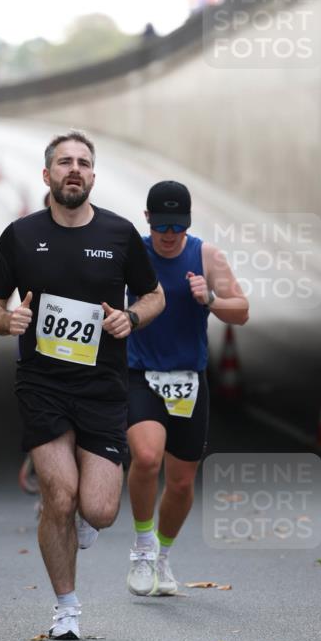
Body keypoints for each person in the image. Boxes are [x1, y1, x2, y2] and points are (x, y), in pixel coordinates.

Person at [0, 130, 165, 640]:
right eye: (64, 162)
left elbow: (154, 295)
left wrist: (131, 317)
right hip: (42, 383)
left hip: (103, 385)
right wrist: (7, 321)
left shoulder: (120, 234)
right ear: (47, 175)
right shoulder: (20, 235)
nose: (74, 169)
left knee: (100, 510)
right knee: (59, 496)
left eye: (83, 162)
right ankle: (66, 609)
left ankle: (80, 519)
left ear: (92, 177)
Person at [126, 181, 249, 596]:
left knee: (180, 483)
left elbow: (242, 310)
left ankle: (162, 556)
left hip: (188, 381)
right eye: (162, 225)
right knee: (146, 456)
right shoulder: (134, 253)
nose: (169, 235)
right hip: (140, 374)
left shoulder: (206, 255)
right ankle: (142, 549)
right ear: (148, 220)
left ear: (188, 224)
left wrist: (209, 300)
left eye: (178, 226)